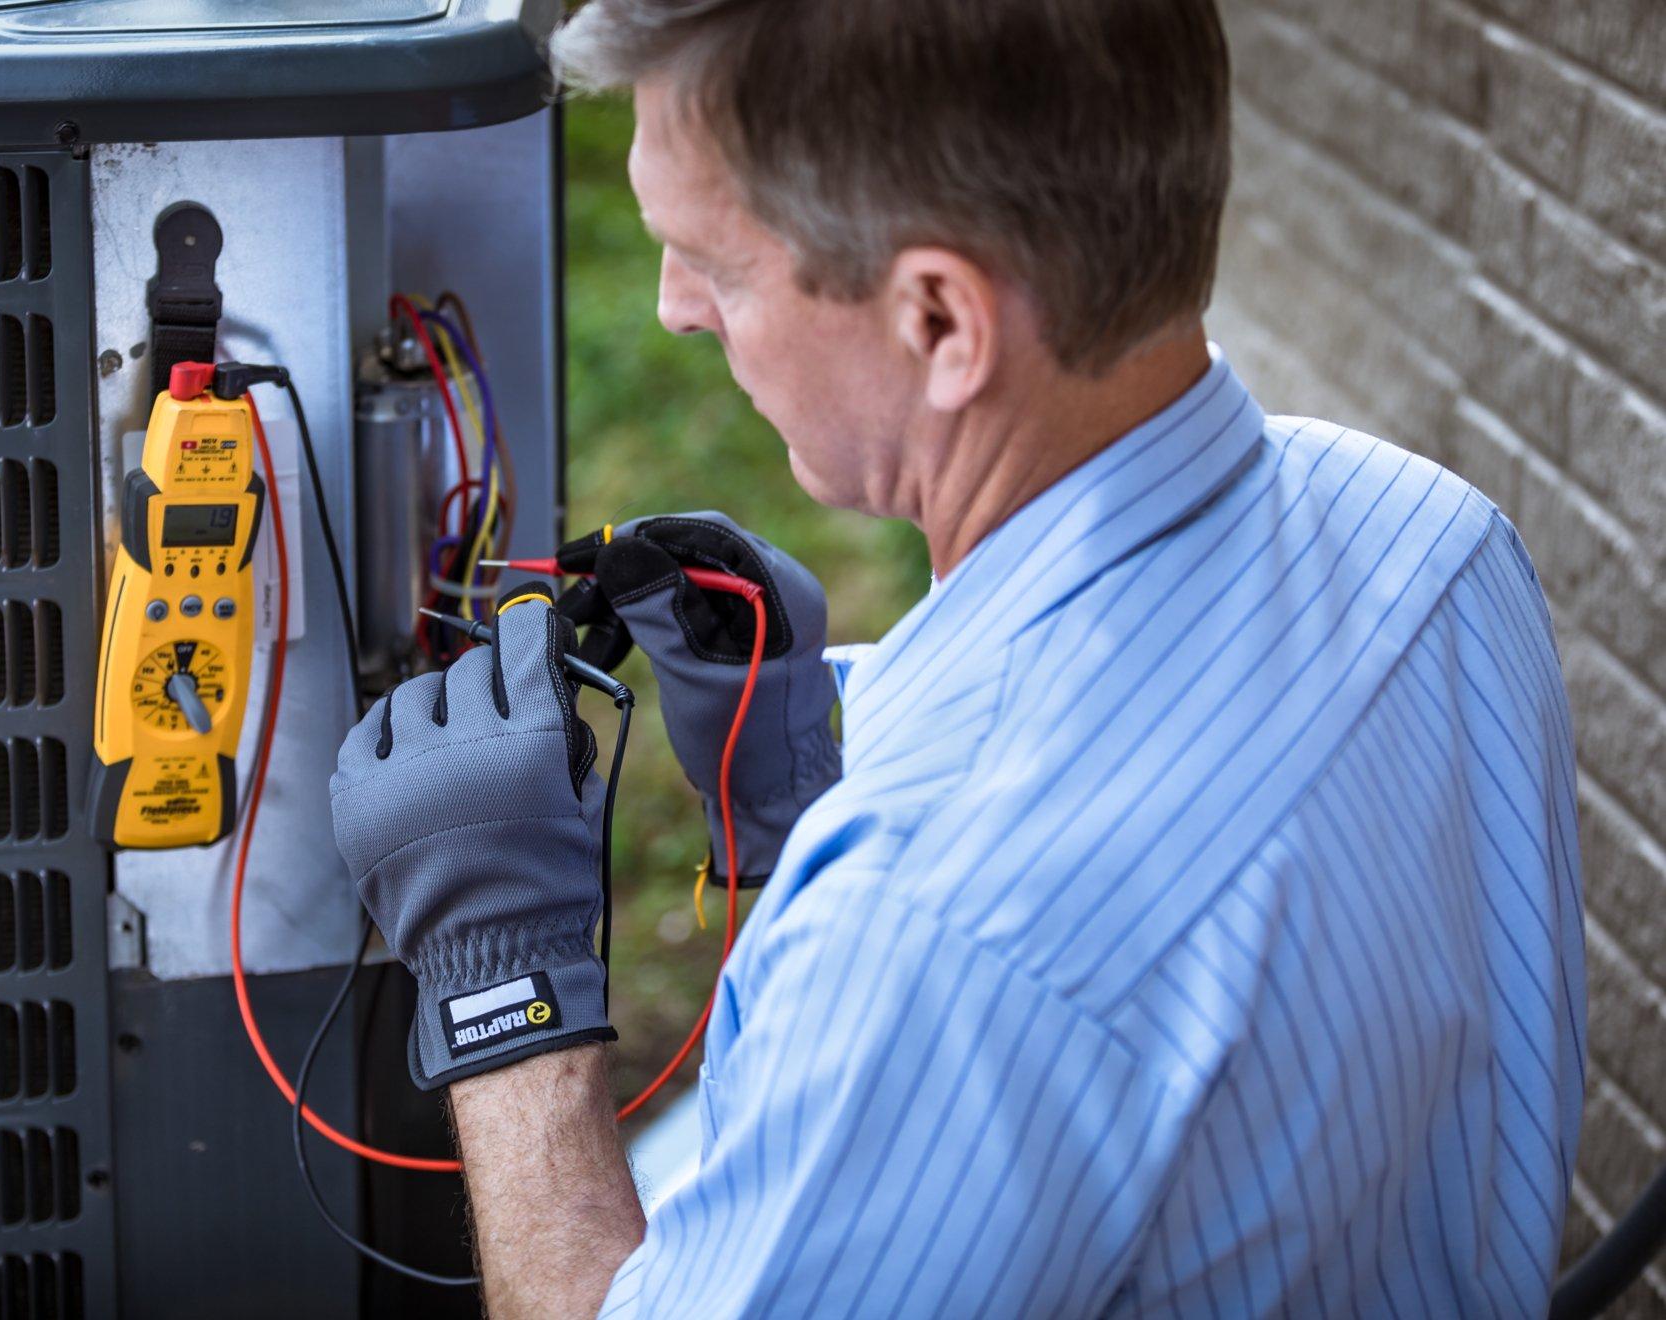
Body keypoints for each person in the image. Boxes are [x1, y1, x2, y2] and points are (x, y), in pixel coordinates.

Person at [330, 0, 1586, 1313]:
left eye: (715, 261)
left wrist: (503, 983)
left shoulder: (942, 932)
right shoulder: (1434, 540)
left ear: (941, 321)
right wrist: (802, 782)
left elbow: (988, 939)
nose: (676, 310)